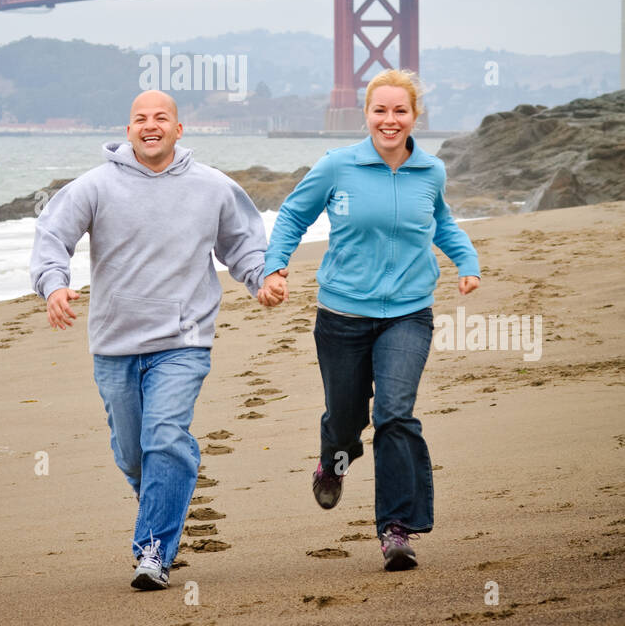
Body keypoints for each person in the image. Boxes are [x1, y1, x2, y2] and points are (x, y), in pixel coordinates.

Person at [29, 90, 267, 590]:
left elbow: (243, 243)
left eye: (162, 118)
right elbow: (52, 235)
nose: (150, 125)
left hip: (184, 339)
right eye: (140, 118)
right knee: (133, 454)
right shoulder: (95, 186)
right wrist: (54, 285)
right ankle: (167, 488)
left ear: (179, 130)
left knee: (165, 437)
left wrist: (262, 279)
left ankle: (153, 551)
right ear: (128, 129)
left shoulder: (212, 187)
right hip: (115, 344)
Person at [258, 68, 480, 572]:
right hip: (342, 313)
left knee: (395, 414)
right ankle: (334, 459)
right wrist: (275, 265)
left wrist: (466, 262)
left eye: (400, 110)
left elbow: (442, 222)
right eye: (380, 110)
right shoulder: (339, 166)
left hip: (408, 313)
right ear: (366, 115)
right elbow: (293, 214)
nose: (390, 119)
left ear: (414, 116)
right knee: (345, 418)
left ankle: (396, 530)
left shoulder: (431, 171)